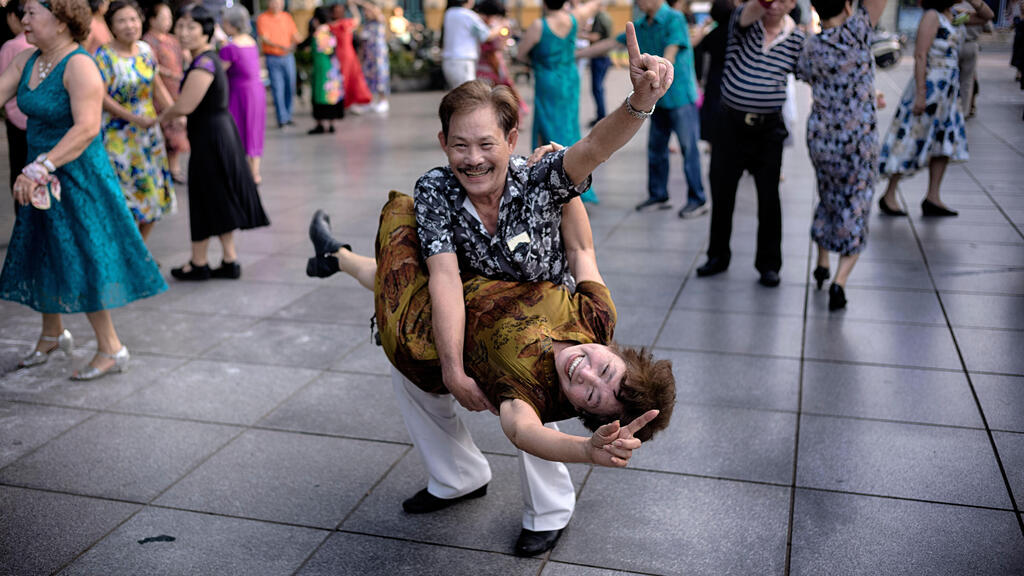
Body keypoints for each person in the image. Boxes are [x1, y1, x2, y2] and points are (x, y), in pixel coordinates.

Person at [331, 24, 673, 557]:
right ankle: (456, 476)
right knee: (410, 369)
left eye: (487, 143)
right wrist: (450, 367)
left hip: (539, 331)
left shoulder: (538, 179)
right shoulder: (437, 188)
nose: (473, 158)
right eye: (460, 145)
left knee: (549, 397)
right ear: (443, 143)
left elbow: (593, 151)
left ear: (511, 141)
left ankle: (550, 511)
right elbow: (442, 274)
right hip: (466, 315)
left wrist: (639, 102)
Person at [0, 0, 166, 380]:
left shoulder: (79, 64)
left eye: (31, 13)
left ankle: (112, 347)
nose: (23, 19)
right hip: (40, 174)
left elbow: (87, 128)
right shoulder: (27, 60)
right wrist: (36, 170)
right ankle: (52, 333)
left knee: (85, 254)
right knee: (43, 248)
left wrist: (40, 167)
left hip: (78, 176)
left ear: (60, 22)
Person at [695, 0, 806, 287]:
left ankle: (769, 265)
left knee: (769, 198)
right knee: (722, 193)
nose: (774, 4)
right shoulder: (742, 23)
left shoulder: (795, 38)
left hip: (768, 130)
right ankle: (717, 256)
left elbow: (812, 73)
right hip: (731, 126)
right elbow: (751, 11)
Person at [159, 3, 269, 281]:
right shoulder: (207, 59)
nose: (183, 32)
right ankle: (229, 259)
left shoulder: (205, 63)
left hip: (212, 137)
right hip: (217, 133)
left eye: (191, 27)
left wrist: (158, 117)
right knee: (217, 196)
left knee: (204, 197)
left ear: (205, 31)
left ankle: (198, 263)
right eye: (181, 26)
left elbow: (185, 105)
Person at [795, 0, 887, 311]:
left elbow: (805, 75)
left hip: (822, 138)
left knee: (829, 196)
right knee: (856, 205)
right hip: (857, 140)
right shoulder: (858, 30)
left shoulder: (811, 46)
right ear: (848, 5)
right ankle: (839, 280)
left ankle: (822, 261)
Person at [579, 0, 706, 216]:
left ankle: (698, 199)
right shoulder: (641, 24)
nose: (637, 2)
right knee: (656, 149)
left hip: (680, 96)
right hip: (657, 99)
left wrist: (660, 67)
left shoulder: (674, 19)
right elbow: (611, 43)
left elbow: (671, 53)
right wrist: (576, 54)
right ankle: (658, 194)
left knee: (688, 149)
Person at [876, 0, 993, 218]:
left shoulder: (956, 15)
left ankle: (933, 196)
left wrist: (975, 2)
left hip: (948, 91)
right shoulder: (932, 16)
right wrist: (921, 93)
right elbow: (921, 55)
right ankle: (889, 194)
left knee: (944, 142)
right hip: (930, 87)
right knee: (910, 138)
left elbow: (987, 17)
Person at [94, 0, 175, 243]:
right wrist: (132, 118)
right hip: (118, 138)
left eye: (133, 19)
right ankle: (128, 255)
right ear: (112, 26)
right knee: (124, 197)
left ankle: (140, 251)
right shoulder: (104, 56)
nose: (130, 25)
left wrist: (176, 113)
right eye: (122, 20)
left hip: (148, 135)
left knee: (153, 193)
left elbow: (156, 85)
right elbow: (101, 96)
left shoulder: (145, 50)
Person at [517, 0, 603, 203]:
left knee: (546, 126)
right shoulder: (573, 19)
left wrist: (537, 61)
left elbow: (521, 53)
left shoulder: (540, 25)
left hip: (548, 79)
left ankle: (548, 178)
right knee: (570, 125)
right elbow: (594, 4)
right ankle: (575, 177)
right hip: (569, 78)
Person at [220, 4, 265, 184]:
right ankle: (255, 172)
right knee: (254, 129)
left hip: (239, 93)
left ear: (231, 24)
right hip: (256, 91)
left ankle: (240, 171)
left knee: (237, 130)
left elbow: (217, 72)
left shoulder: (230, 48)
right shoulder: (251, 41)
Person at [142, 1, 186, 182]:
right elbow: (152, 68)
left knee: (176, 130)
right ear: (152, 20)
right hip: (160, 90)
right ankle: (168, 170)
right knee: (166, 131)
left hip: (175, 89)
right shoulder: (148, 42)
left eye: (169, 17)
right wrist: (171, 74)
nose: (167, 21)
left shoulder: (172, 39)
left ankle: (174, 168)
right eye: (163, 17)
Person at [694, 0, 738, 147]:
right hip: (733, 77)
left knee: (713, 113)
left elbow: (697, 48)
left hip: (714, 78)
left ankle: (713, 145)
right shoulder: (737, 34)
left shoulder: (712, 35)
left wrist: (699, 77)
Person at [1, 0, 31, 191]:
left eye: (31, 14)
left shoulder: (12, 46)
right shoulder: (26, 52)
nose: (25, 20)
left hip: (18, 122)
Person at [440, 0, 504, 88]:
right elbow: (486, 35)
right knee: (468, 94)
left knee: (457, 93)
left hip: (449, 61)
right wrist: (499, 28)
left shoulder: (449, 13)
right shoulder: (468, 15)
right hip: (463, 61)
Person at [255, 0, 298, 128]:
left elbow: (295, 35)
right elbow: (265, 39)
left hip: (288, 56)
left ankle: (288, 115)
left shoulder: (287, 17)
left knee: (290, 86)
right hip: (273, 57)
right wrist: (282, 46)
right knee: (278, 88)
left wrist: (294, 45)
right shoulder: (262, 18)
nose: (276, 5)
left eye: (279, 2)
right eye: (274, 2)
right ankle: (282, 118)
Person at [328, 0, 372, 111]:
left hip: (343, 55)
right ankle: (345, 101)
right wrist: (352, 6)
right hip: (347, 55)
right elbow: (358, 18)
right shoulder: (344, 24)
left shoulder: (333, 25)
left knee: (346, 78)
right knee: (349, 78)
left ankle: (345, 101)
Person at [307, 6, 343, 133]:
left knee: (319, 95)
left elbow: (310, 49)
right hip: (332, 68)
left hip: (321, 68)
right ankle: (332, 123)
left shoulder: (317, 33)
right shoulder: (330, 31)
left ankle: (320, 124)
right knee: (332, 94)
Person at [581, 5, 612, 126]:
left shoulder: (599, 17)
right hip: (604, 57)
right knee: (599, 88)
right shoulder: (606, 16)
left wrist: (579, 35)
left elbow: (596, 36)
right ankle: (601, 115)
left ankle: (601, 116)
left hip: (599, 57)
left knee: (597, 89)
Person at [357, 0, 390, 114]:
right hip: (368, 57)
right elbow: (362, 44)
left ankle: (383, 101)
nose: (366, 12)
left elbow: (375, 11)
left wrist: (360, 2)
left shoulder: (379, 21)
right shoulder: (366, 25)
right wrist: (360, 58)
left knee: (380, 77)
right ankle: (369, 102)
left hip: (378, 56)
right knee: (367, 78)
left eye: (367, 10)